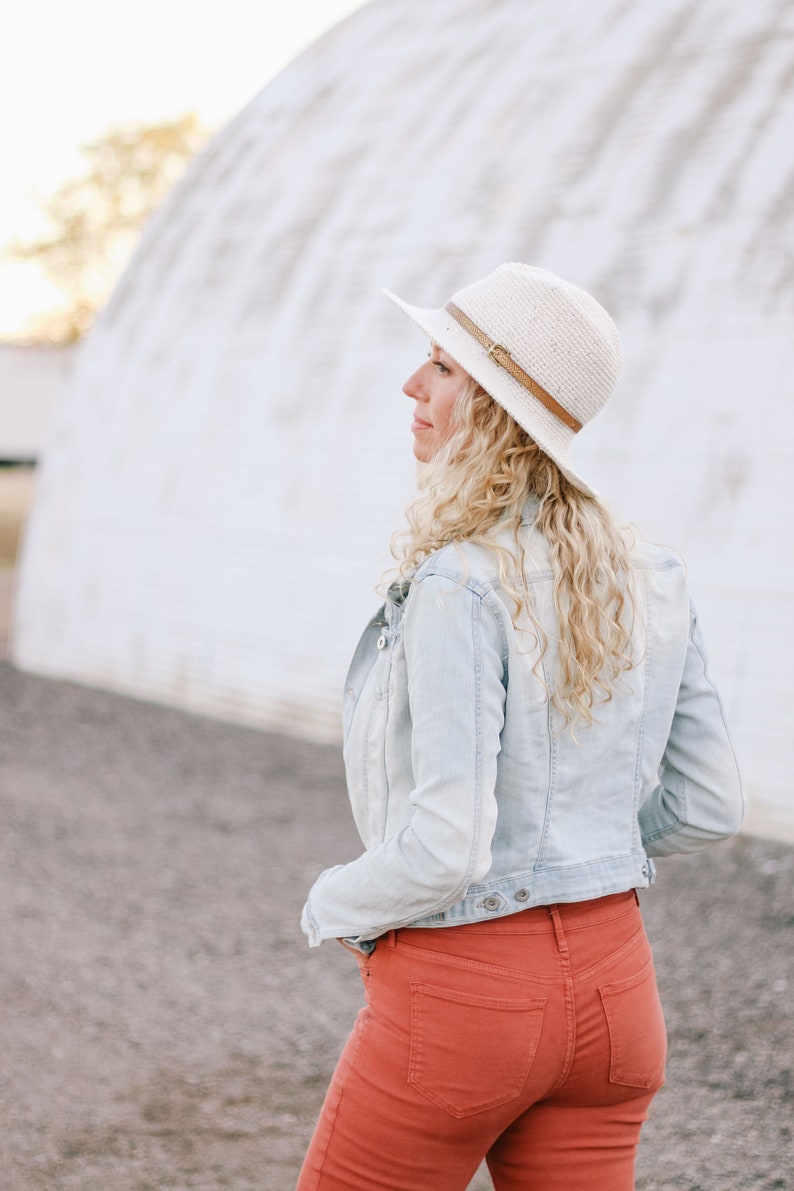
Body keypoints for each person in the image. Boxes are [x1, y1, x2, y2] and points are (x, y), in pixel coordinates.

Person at [297, 263, 743, 1191]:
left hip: (466, 999)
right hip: (619, 995)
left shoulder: (461, 581)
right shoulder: (654, 572)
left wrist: (332, 904)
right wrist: (589, 845)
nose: (412, 386)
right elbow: (708, 805)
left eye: (442, 366)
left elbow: (448, 849)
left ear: (494, 406)